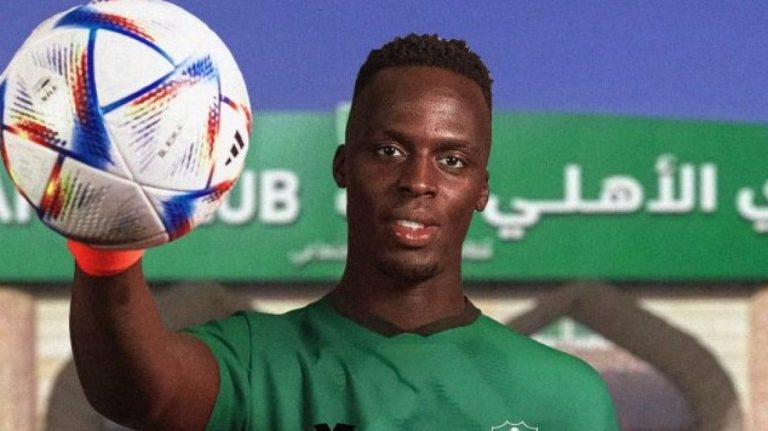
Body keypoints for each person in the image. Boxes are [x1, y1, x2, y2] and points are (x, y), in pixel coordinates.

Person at [68, 34, 619, 430]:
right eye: (389, 150)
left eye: (452, 161)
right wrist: (104, 229)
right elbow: (138, 391)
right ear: (343, 165)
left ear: (481, 188)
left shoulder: (567, 398)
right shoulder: (259, 362)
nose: (418, 181)